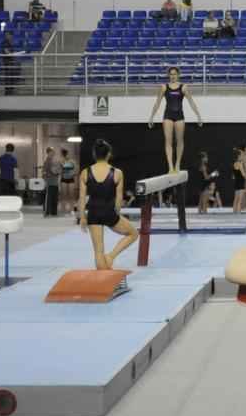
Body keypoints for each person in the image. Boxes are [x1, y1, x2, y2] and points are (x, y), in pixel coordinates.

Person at [78, 139, 139, 270]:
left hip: (93, 212)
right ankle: (111, 256)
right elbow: (118, 200)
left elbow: (82, 198)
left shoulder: (85, 172)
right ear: (108, 154)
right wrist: (116, 214)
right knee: (133, 234)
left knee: (98, 252)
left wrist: (82, 217)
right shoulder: (117, 173)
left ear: (94, 155)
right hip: (109, 212)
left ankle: (102, 279)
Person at [147, 66, 204, 174]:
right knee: (168, 141)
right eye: (171, 74)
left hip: (179, 116)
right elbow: (157, 102)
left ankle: (177, 164)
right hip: (168, 115)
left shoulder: (183, 87)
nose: (173, 76)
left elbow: (191, 102)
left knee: (179, 141)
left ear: (178, 75)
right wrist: (151, 117)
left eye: (174, 74)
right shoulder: (164, 87)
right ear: (169, 75)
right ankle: (170, 166)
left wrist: (198, 116)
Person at [42, 147, 61, 217]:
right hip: (50, 182)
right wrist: (46, 178)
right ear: (49, 152)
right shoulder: (47, 161)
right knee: (49, 198)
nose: (53, 153)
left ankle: (54, 212)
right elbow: (44, 172)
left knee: (55, 198)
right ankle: (47, 212)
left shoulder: (54, 161)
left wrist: (58, 171)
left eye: (54, 152)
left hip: (55, 182)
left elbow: (58, 170)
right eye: (52, 152)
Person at [232, 147, 246, 213]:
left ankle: (234, 213)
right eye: (241, 155)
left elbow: (234, 175)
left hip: (236, 182)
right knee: (240, 200)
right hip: (240, 182)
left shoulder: (234, 163)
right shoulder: (240, 164)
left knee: (236, 199)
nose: (242, 157)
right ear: (238, 156)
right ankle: (238, 213)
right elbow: (243, 174)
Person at [60, 148, 78, 215]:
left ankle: (71, 209)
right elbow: (60, 170)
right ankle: (63, 209)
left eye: (67, 154)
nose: (66, 156)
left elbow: (76, 170)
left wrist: (73, 174)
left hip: (71, 179)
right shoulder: (61, 161)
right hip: (64, 179)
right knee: (63, 194)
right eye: (64, 155)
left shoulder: (72, 161)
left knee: (71, 194)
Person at [1, 31, 19, 95]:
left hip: (11, 62)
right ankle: (8, 91)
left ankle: (11, 90)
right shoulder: (5, 42)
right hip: (7, 62)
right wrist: (13, 54)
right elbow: (7, 52)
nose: (7, 36)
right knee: (8, 77)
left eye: (9, 35)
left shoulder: (11, 42)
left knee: (11, 77)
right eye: (6, 35)